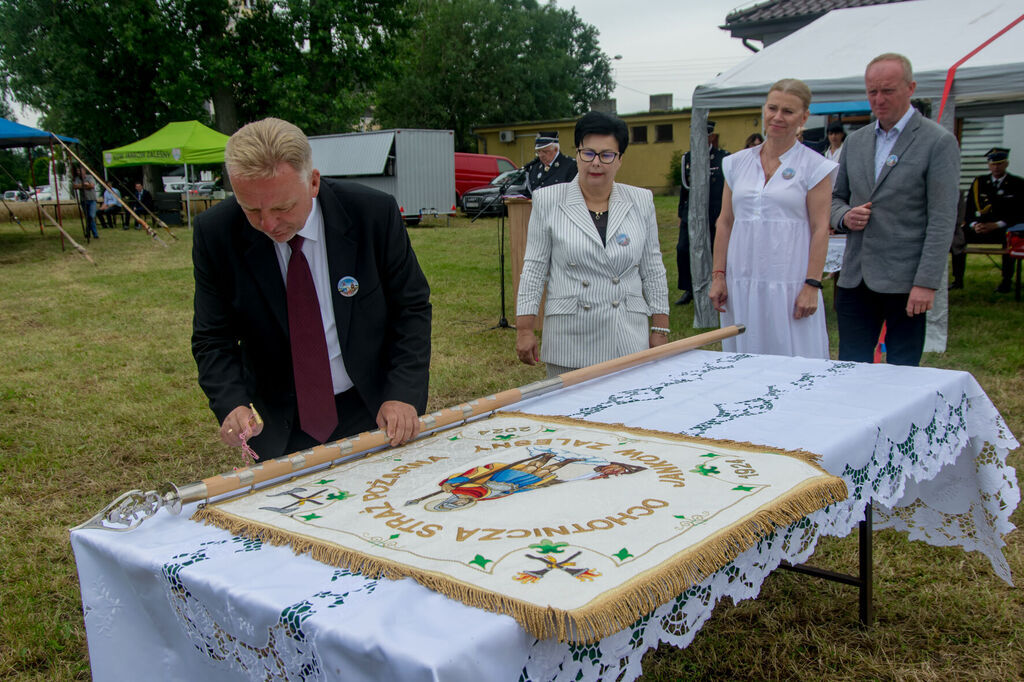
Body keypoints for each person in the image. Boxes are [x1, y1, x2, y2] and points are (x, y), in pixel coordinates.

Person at [192, 117, 432, 460]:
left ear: (314, 182)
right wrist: (232, 402)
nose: (268, 224)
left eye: (282, 207)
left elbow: (410, 308)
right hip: (277, 422)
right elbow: (213, 337)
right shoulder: (216, 234)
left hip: (372, 408)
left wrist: (403, 392)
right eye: (251, 209)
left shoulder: (372, 215)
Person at [516, 111, 670, 377]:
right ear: (577, 154)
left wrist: (660, 328)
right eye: (588, 153)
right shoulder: (547, 200)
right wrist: (524, 328)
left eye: (606, 155)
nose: (596, 163)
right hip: (571, 338)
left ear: (620, 160)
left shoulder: (641, 201)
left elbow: (653, 268)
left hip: (627, 335)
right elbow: (534, 269)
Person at [830, 53, 959, 366]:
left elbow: (941, 221)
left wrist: (926, 283)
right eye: (872, 91)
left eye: (887, 90)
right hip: (855, 279)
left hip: (906, 282)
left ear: (910, 88)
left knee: (902, 373)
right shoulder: (856, 141)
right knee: (850, 368)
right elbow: (834, 200)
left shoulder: (938, 141)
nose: (878, 99)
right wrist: (845, 217)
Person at [709, 78, 836, 358]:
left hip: (789, 282)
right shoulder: (736, 164)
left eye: (788, 112)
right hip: (741, 281)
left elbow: (819, 228)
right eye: (772, 108)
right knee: (744, 355)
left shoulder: (815, 168)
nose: (777, 117)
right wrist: (719, 275)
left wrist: (812, 285)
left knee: (793, 357)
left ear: (803, 117)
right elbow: (725, 222)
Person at [951, 148, 1023, 292]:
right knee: (957, 236)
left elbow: (1019, 212)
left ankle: (1006, 281)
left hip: (1002, 228)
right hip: (979, 227)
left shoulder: (1017, 183)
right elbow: (969, 208)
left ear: (1006, 164)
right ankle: (958, 279)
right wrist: (974, 224)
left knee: (1012, 239)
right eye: (993, 164)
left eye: (1000, 164)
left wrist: (996, 225)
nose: (996, 167)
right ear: (989, 165)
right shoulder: (979, 182)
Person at [676, 122, 729, 305]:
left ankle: (716, 286)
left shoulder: (723, 158)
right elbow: (685, 188)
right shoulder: (688, 158)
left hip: (714, 211)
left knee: (714, 250)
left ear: (710, 136)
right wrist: (680, 213)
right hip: (691, 212)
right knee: (683, 250)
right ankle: (689, 289)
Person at [522, 131, 577, 197]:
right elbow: (528, 195)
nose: (541, 155)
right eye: (538, 151)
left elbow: (573, 194)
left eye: (545, 151)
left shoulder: (570, 166)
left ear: (556, 149)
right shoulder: (534, 168)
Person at [71, 165, 99, 239]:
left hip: (92, 199)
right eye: (77, 171)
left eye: (80, 170)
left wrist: (82, 186)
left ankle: (88, 231)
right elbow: (75, 187)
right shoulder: (77, 178)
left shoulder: (89, 177)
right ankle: (94, 234)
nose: (78, 172)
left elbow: (92, 186)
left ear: (84, 171)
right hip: (84, 200)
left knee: (91, 216)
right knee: (88, 217)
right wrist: (84, 185)